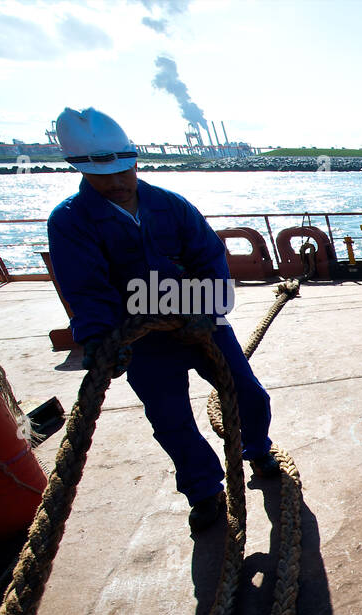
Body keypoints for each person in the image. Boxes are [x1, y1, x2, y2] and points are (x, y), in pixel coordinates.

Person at [46, 107, 279, 532]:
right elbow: (87, 288)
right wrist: (99, 338)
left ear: (135, 161)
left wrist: (206, 311)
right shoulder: (70, 222)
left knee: (248, 394)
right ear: (77, 168)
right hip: (142, 340)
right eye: (104, 175)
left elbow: (209, 258)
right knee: (171, 421)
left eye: (124, 170)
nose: (117, 182)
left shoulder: (172, 207)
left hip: (200, 322)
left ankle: (257, 449)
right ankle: (205, 491)